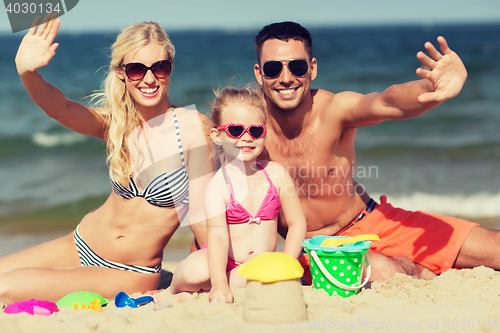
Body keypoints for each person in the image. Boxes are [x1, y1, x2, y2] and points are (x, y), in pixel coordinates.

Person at [252, 21, 497, 281]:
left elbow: (386, 102)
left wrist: (434, 87)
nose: (286, 78)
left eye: (298, 66)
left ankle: (421, 266)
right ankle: (416, 267)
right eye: (273, 68)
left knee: (494, 248)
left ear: (312, 69)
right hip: (318, 248)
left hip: (375, 220)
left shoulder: (335, 109)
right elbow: (206, 138)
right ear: (259, 74)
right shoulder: (247, 128)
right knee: (386, 270)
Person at [0, 15, 212, 304]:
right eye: (137, 69)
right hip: (79, 244)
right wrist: (27, 73)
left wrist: (189, 277)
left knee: (6, 287)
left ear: (170, 69)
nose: (149, 79)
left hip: (130, 272)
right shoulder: (117, 124)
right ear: (122, 72)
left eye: (160, 67)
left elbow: (205, 219)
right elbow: (61, 108)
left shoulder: (193, 128)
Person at [163, 86, 307, 303]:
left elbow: (297, 223)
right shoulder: (218, 185)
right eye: (236, 130)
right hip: (224, 261)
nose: (247, 137)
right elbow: (218, 237)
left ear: (264, 133)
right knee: (193, 271)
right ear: (217, 135)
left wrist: (287, 261)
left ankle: (198, 293)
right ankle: (172, 290)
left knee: (265, 273)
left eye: (256, 131)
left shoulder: (276, 174)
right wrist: (219, 282)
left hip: (260, 262)